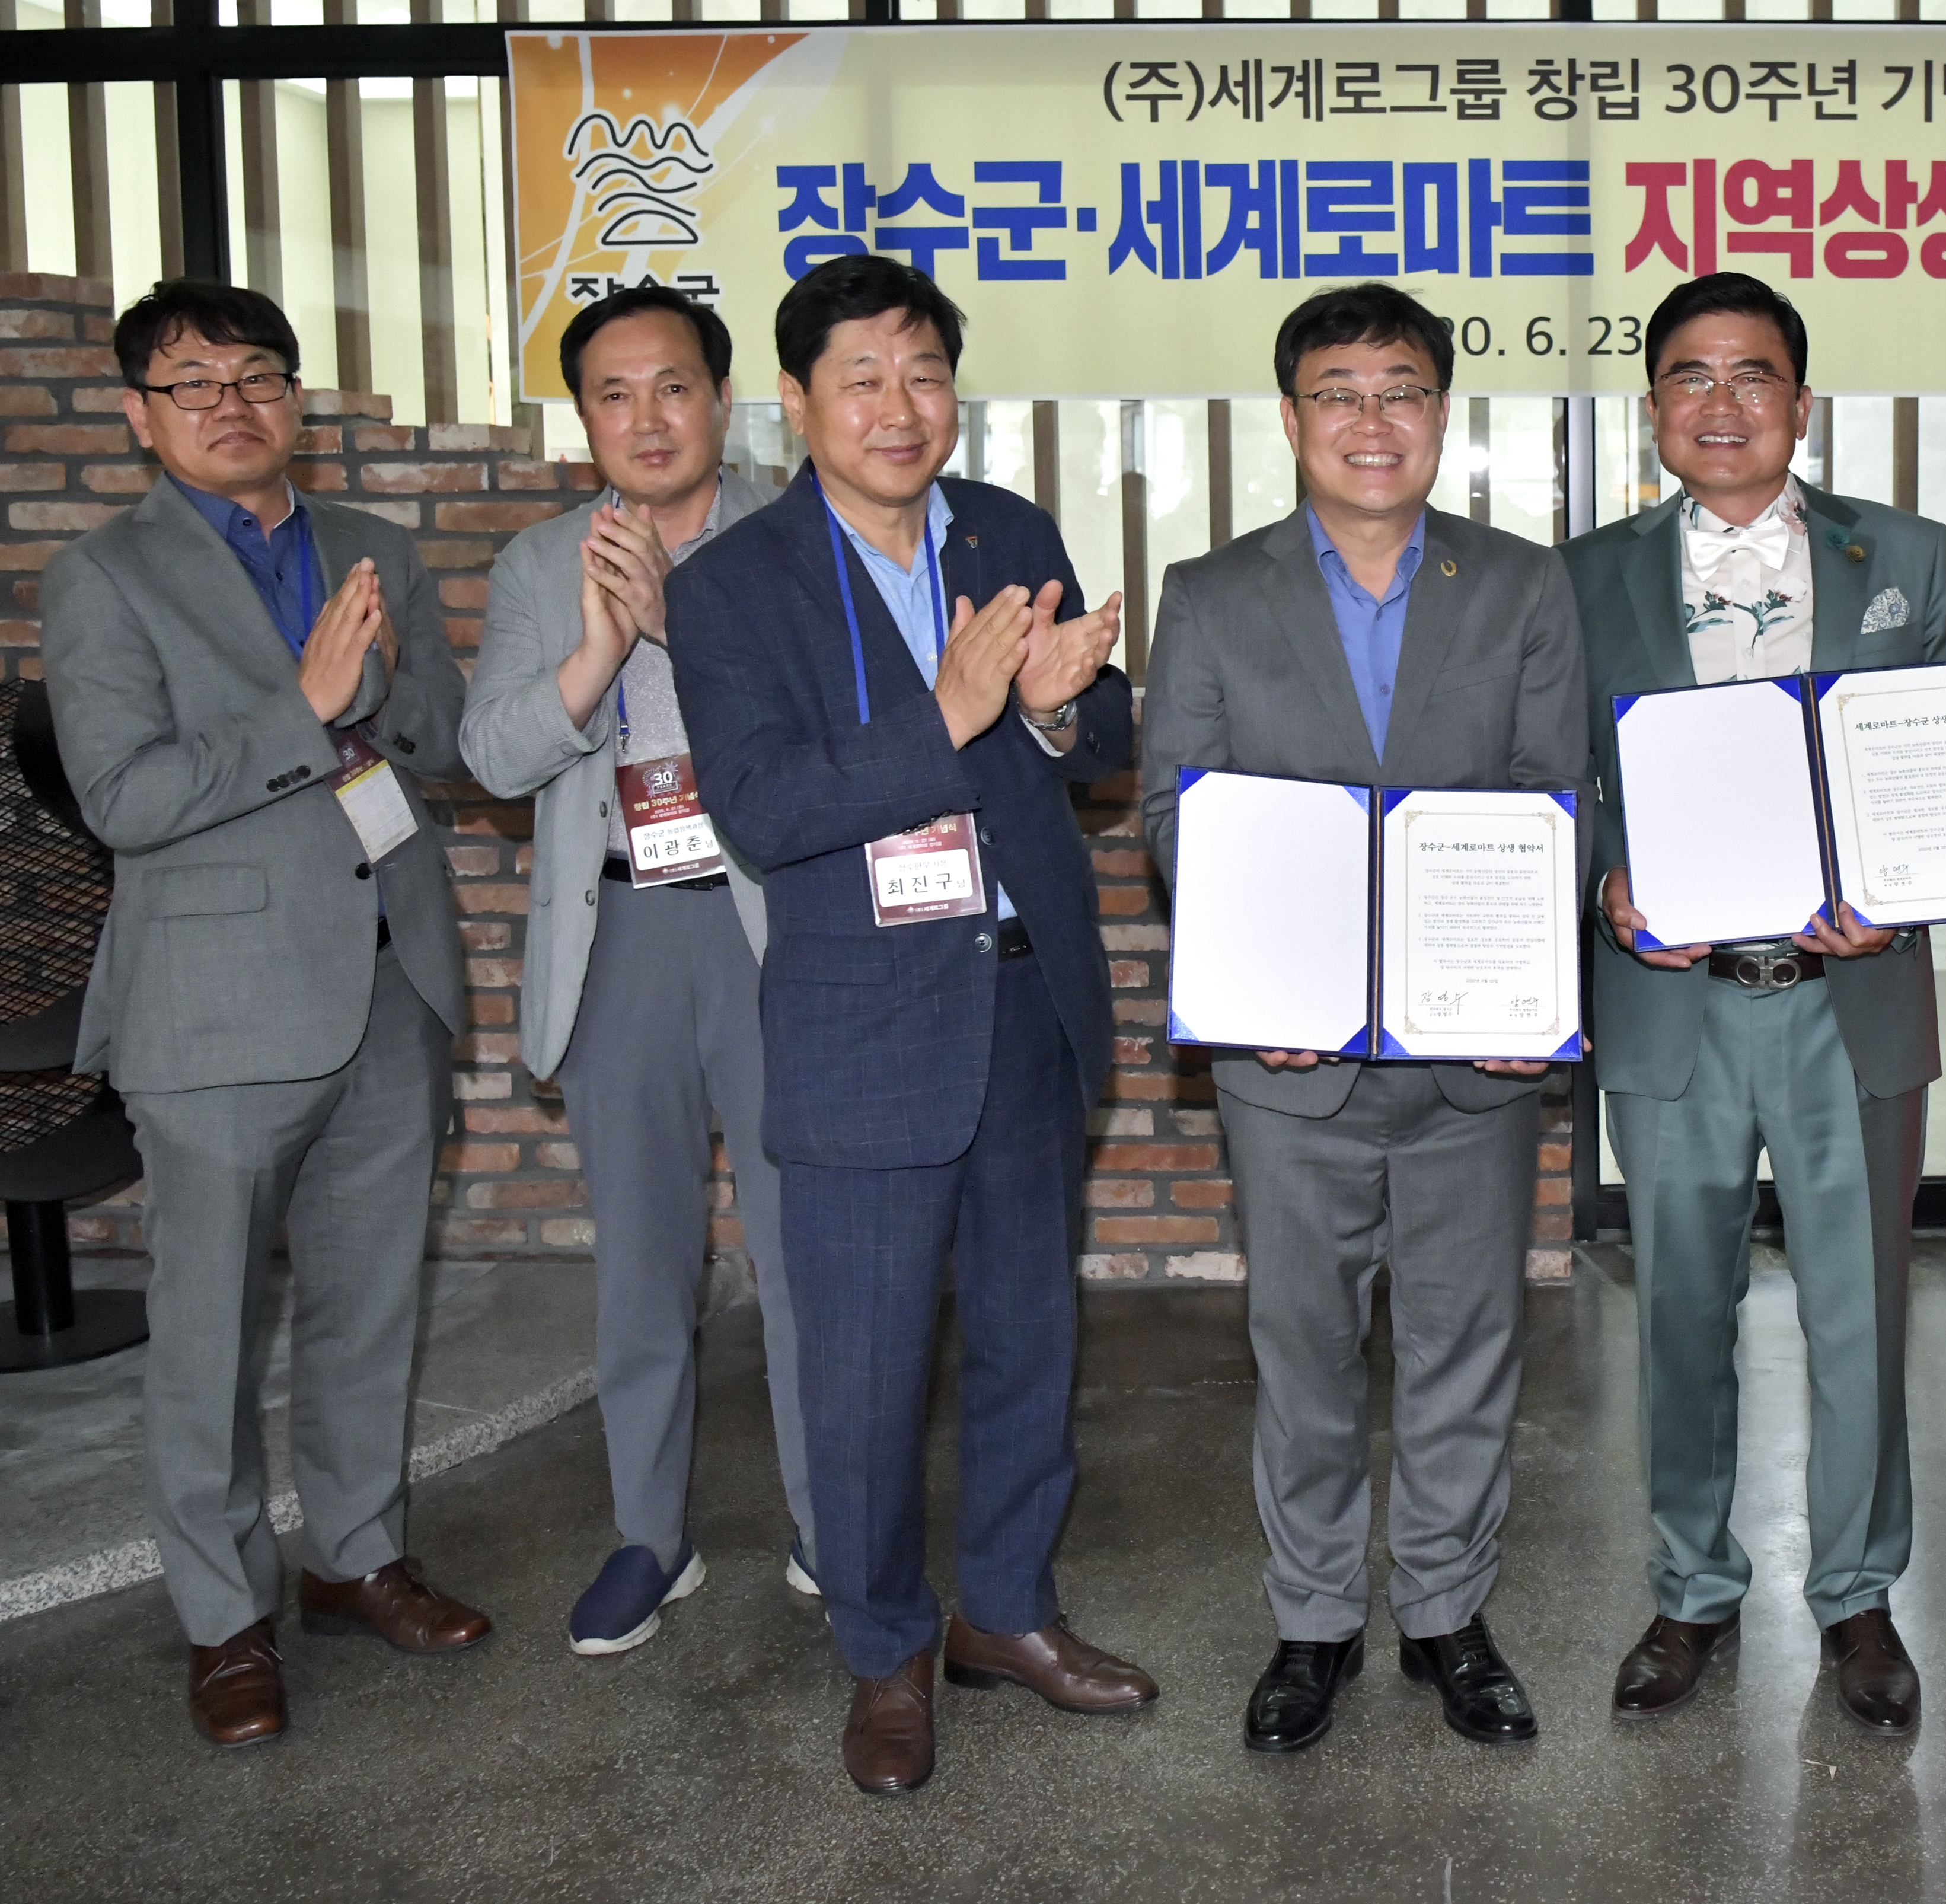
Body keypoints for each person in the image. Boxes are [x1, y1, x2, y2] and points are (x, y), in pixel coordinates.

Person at [669, 256, 1151, 1795]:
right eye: (862, 376)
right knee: (866, 1370)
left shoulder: (1006, 531)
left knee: (1029, 1335)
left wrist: (1066, 705)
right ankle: (883, 1647)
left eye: (923, 370)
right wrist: (941, 720)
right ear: (797, 399)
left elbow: (1099, 726)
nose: (898, 404)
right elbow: (760, 805)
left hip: (1023, 999)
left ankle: (1005, 1610)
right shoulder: (732, 584)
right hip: (867, 1022)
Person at [1138, 283, 1587, 1755]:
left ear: (1443, 415)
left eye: (1401, 390)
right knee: (1307, 1354)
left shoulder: (1522, 586)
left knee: (1467, 1350)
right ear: (1290, 419)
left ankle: (1449, 1615)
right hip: (1292, 1067)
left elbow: (1555, 803)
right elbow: (1174, 814)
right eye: (1339, 393)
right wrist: (1257, 979)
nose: (1371, 421)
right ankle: (1315, 1620)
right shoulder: (1211, 594)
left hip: (1474, 1058)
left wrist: (1530, 983)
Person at [44, 279, 489, 1746]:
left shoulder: (373, 547)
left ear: (298, 399)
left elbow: (437, 738)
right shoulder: (106, 576)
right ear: (139, 415)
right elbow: (122, 799)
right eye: (193, 383)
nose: (232, 403)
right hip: (216, 1002)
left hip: (388, 973)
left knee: (369, 1304)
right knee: (211, 1331)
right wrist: (305, 702)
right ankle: (224, 1616)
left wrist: (390, 693)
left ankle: (356, 1559)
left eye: (259, 376)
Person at [1563, 271, 1946, 1739]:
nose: (1722, 403)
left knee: (1859, 1311)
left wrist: (1907, 888)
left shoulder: (1908, 556)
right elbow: (1556, 782)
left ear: (1801, 405)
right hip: (1673, 1003)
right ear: (1656, 407)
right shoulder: (1587, 574)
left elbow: (1945, 765)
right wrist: (1603, 884)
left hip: (1844, 995)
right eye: (1690, 376)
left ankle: (1859, 1595)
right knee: (1681, 1306)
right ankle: (1690, 1587)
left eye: (1753, 377)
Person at [462, 285, 816, 1656]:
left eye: (673, 387)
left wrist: (678, 629)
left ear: (723, 402)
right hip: (622, 933)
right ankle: (648, 1537)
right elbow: (492, 755)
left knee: (804, 1260)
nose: (646, 417)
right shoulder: (542, 562)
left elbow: (839, 726)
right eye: (615, 394)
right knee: (644, 1265)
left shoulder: (795, 543)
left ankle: (825, 1524)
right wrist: (598, 648)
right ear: (585, 416)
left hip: (777, 929)